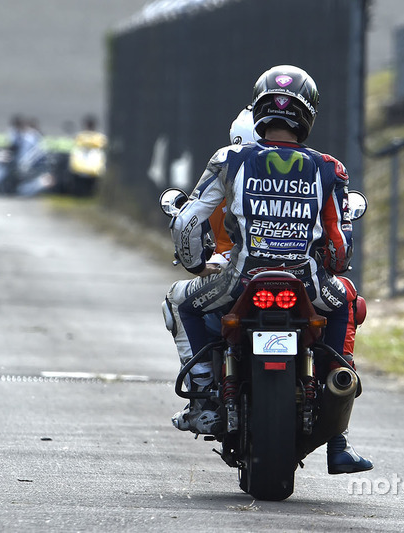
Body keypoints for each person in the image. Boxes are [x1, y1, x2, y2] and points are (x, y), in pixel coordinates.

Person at [163, 65, 372, 474]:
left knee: (178, 299)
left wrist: (193, 262)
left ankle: (204, 394)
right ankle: (338, 398)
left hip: (239, 279)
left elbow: (188, 220)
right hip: (307, 283)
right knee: (346, 297)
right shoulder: (329, 168)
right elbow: (339, 244)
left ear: (259, 111)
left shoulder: (229, 159)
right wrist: (331, 262)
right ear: (308, 114)